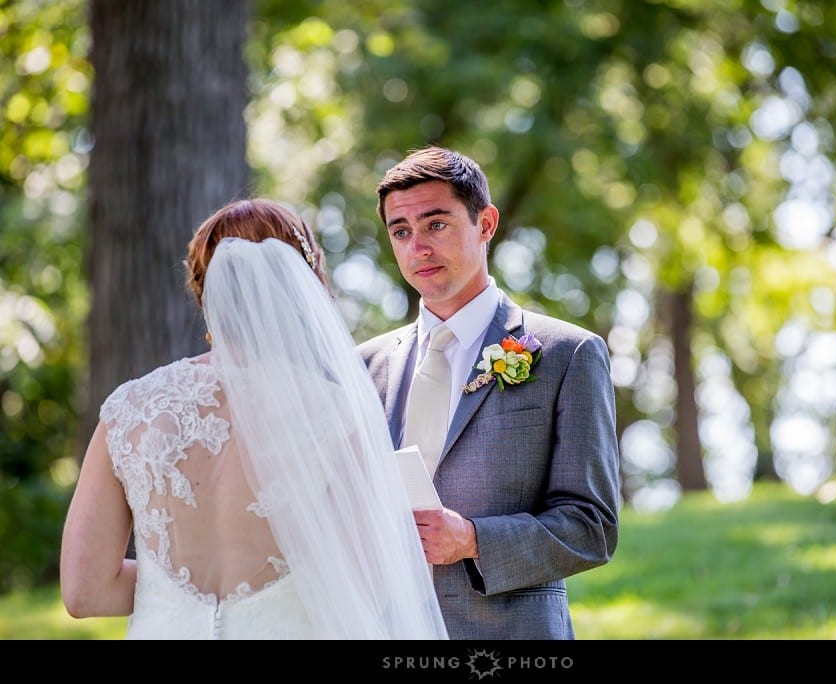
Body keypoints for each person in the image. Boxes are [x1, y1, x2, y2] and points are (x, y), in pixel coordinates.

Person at [60, 198, 448, 640]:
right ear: (304, 283)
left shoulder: (128, 410)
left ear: (203, 287)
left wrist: (170, 594)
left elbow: (83, 592)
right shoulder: (335, 411)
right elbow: (369, 589)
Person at [357, 145, 621, 639]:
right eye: (401, 231)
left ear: (486, 223)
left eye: (436, 224)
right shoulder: (362, 365)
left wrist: (473, 539)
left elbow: (593, 527)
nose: (418, 247)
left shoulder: (568, 354)